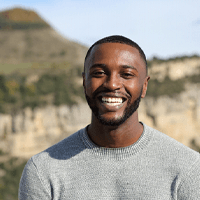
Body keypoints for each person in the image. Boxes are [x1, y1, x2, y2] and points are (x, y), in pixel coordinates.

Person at [19, 35, 200, 199]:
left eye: (127, 74)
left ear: (144, 86)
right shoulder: (43, 171)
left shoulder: (188, 168)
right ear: (84, 82)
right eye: (99, 73)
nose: (112, 84)